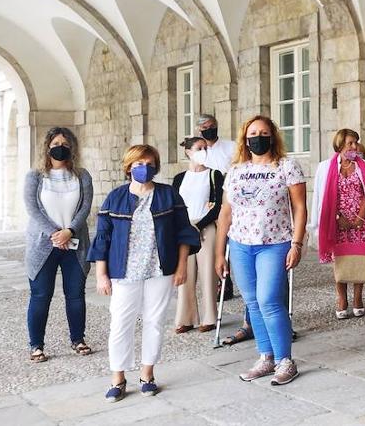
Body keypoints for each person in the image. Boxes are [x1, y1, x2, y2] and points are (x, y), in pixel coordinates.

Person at [90, 144, 200, 401]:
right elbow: (103, 238)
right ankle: (117, 377)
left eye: (149, 164)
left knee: (154, 321)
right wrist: (100, 274)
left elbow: (184, 232)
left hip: (159, 269)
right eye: (139, 164)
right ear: (129, 167)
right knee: (120, 323)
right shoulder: (115, 197)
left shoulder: (168, 195)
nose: (144, 168)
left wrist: (182, 265)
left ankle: (147, 374)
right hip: (123, 270)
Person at [214, 115, 307, 386]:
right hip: (241, 244)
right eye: (253, 133)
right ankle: (266, 356)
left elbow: (299, 207)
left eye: (264, 132)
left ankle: (285, 360)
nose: (258, 137)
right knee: (252, 301)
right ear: (245, 138)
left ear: (272, 136)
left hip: (274, 243)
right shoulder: (236, 170)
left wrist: (297, 243)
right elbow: (226, 212)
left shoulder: (287, 166)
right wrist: (220, 252)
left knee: (269, 300)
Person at [24, 126, 94, 362]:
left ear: (72, 148)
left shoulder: (82, 175)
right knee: (41, 295)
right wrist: (56, 234)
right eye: (55, 145)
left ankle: (78, 339)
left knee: (75, 294)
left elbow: (85, 207)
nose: (60, 148)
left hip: (75, 243)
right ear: (47, 148)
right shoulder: (35, 176)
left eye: (64, 145)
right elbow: (32, 209)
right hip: (43, 245)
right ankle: (36, 345)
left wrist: (70, 231)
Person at [312, 129, 365, 319]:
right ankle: (342, 299)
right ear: (340, 144)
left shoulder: (364, 166)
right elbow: (324, 198)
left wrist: (360, 217)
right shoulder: (326, 167)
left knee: (360, 258)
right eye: (351, 143)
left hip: (361, 221)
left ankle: (358, 298)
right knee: (341, 260)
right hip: (337, 222)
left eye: (356, 142)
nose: (355, 146)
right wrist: (339, 218)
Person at [172, 137, 224, 334]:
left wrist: (200, 224)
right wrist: (182, 226)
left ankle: (209, 316)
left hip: (206, 227)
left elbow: (218, 205)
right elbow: (175, 204)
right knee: (185, 272)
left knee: (207, 273)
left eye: (205, 148)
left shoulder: (214, 175)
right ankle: (186, 317)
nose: (203, 151)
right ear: (188, 152)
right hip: (184, 228)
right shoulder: (179, 178)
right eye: (198, 148)